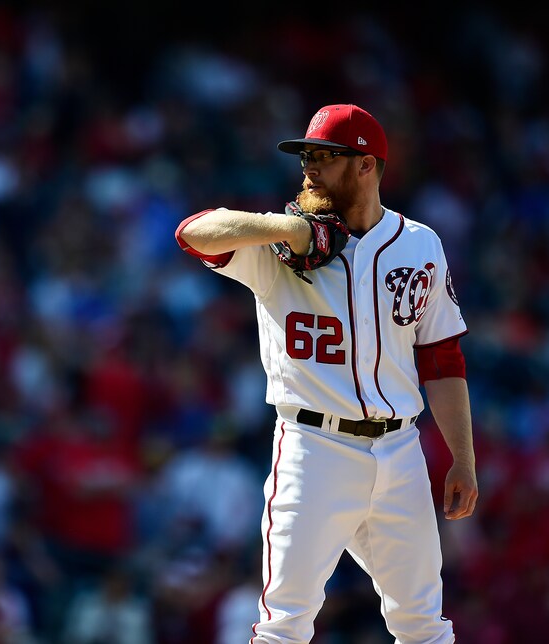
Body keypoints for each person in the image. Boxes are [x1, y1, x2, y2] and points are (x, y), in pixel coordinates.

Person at [174, 103, 478, 643]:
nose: (308, 169)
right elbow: (194, 233)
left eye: (325, 157)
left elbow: (441, 358)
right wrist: (288, 227)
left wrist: (462, 459)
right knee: (285, 623)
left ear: (366, 165)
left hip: (400, 450)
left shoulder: (419, 244)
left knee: (423, 623)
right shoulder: (279, 246)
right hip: (314, 448)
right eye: (306, 156)